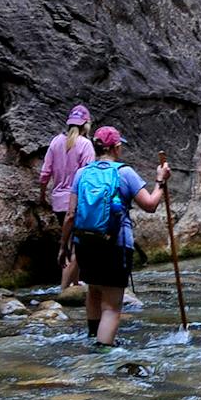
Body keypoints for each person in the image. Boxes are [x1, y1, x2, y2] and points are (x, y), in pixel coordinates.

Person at [63, 126, 168, 348]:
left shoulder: (82, 174)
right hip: (116, 245)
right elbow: (150, 205)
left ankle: (93, 338)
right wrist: (160, 181)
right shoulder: (124, 172)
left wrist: (64, 245)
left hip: (85, 243)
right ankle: (102, 355)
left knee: (93, 290)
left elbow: (70, 215)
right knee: (111, 307)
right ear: (117, 148)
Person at [39, 104, 94, 289]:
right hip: (77, 202)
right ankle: (64, 290)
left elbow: (45, 173)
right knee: (76, 246)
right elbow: (88, 176)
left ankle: (75, 282)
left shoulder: (55, 142)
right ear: (86, 124)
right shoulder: (86, 144)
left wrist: (42, 196)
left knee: (71, 243)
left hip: (58, 201)